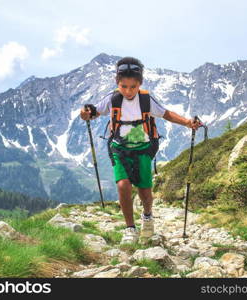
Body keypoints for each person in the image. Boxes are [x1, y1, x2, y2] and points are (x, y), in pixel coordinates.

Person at [80, 56, 202, 244]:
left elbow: (166, 113)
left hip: (144, 148)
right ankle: (130, 228)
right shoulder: (112, 99)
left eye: (133, 87)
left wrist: (187, 122)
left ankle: (147, 216)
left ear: (140, 84)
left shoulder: (146, 99)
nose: (128, 91)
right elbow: (92, 112)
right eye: (123, 86)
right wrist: (85, 113)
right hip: (119, 148)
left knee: (145, 190)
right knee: (123, 185)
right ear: (117, 83)